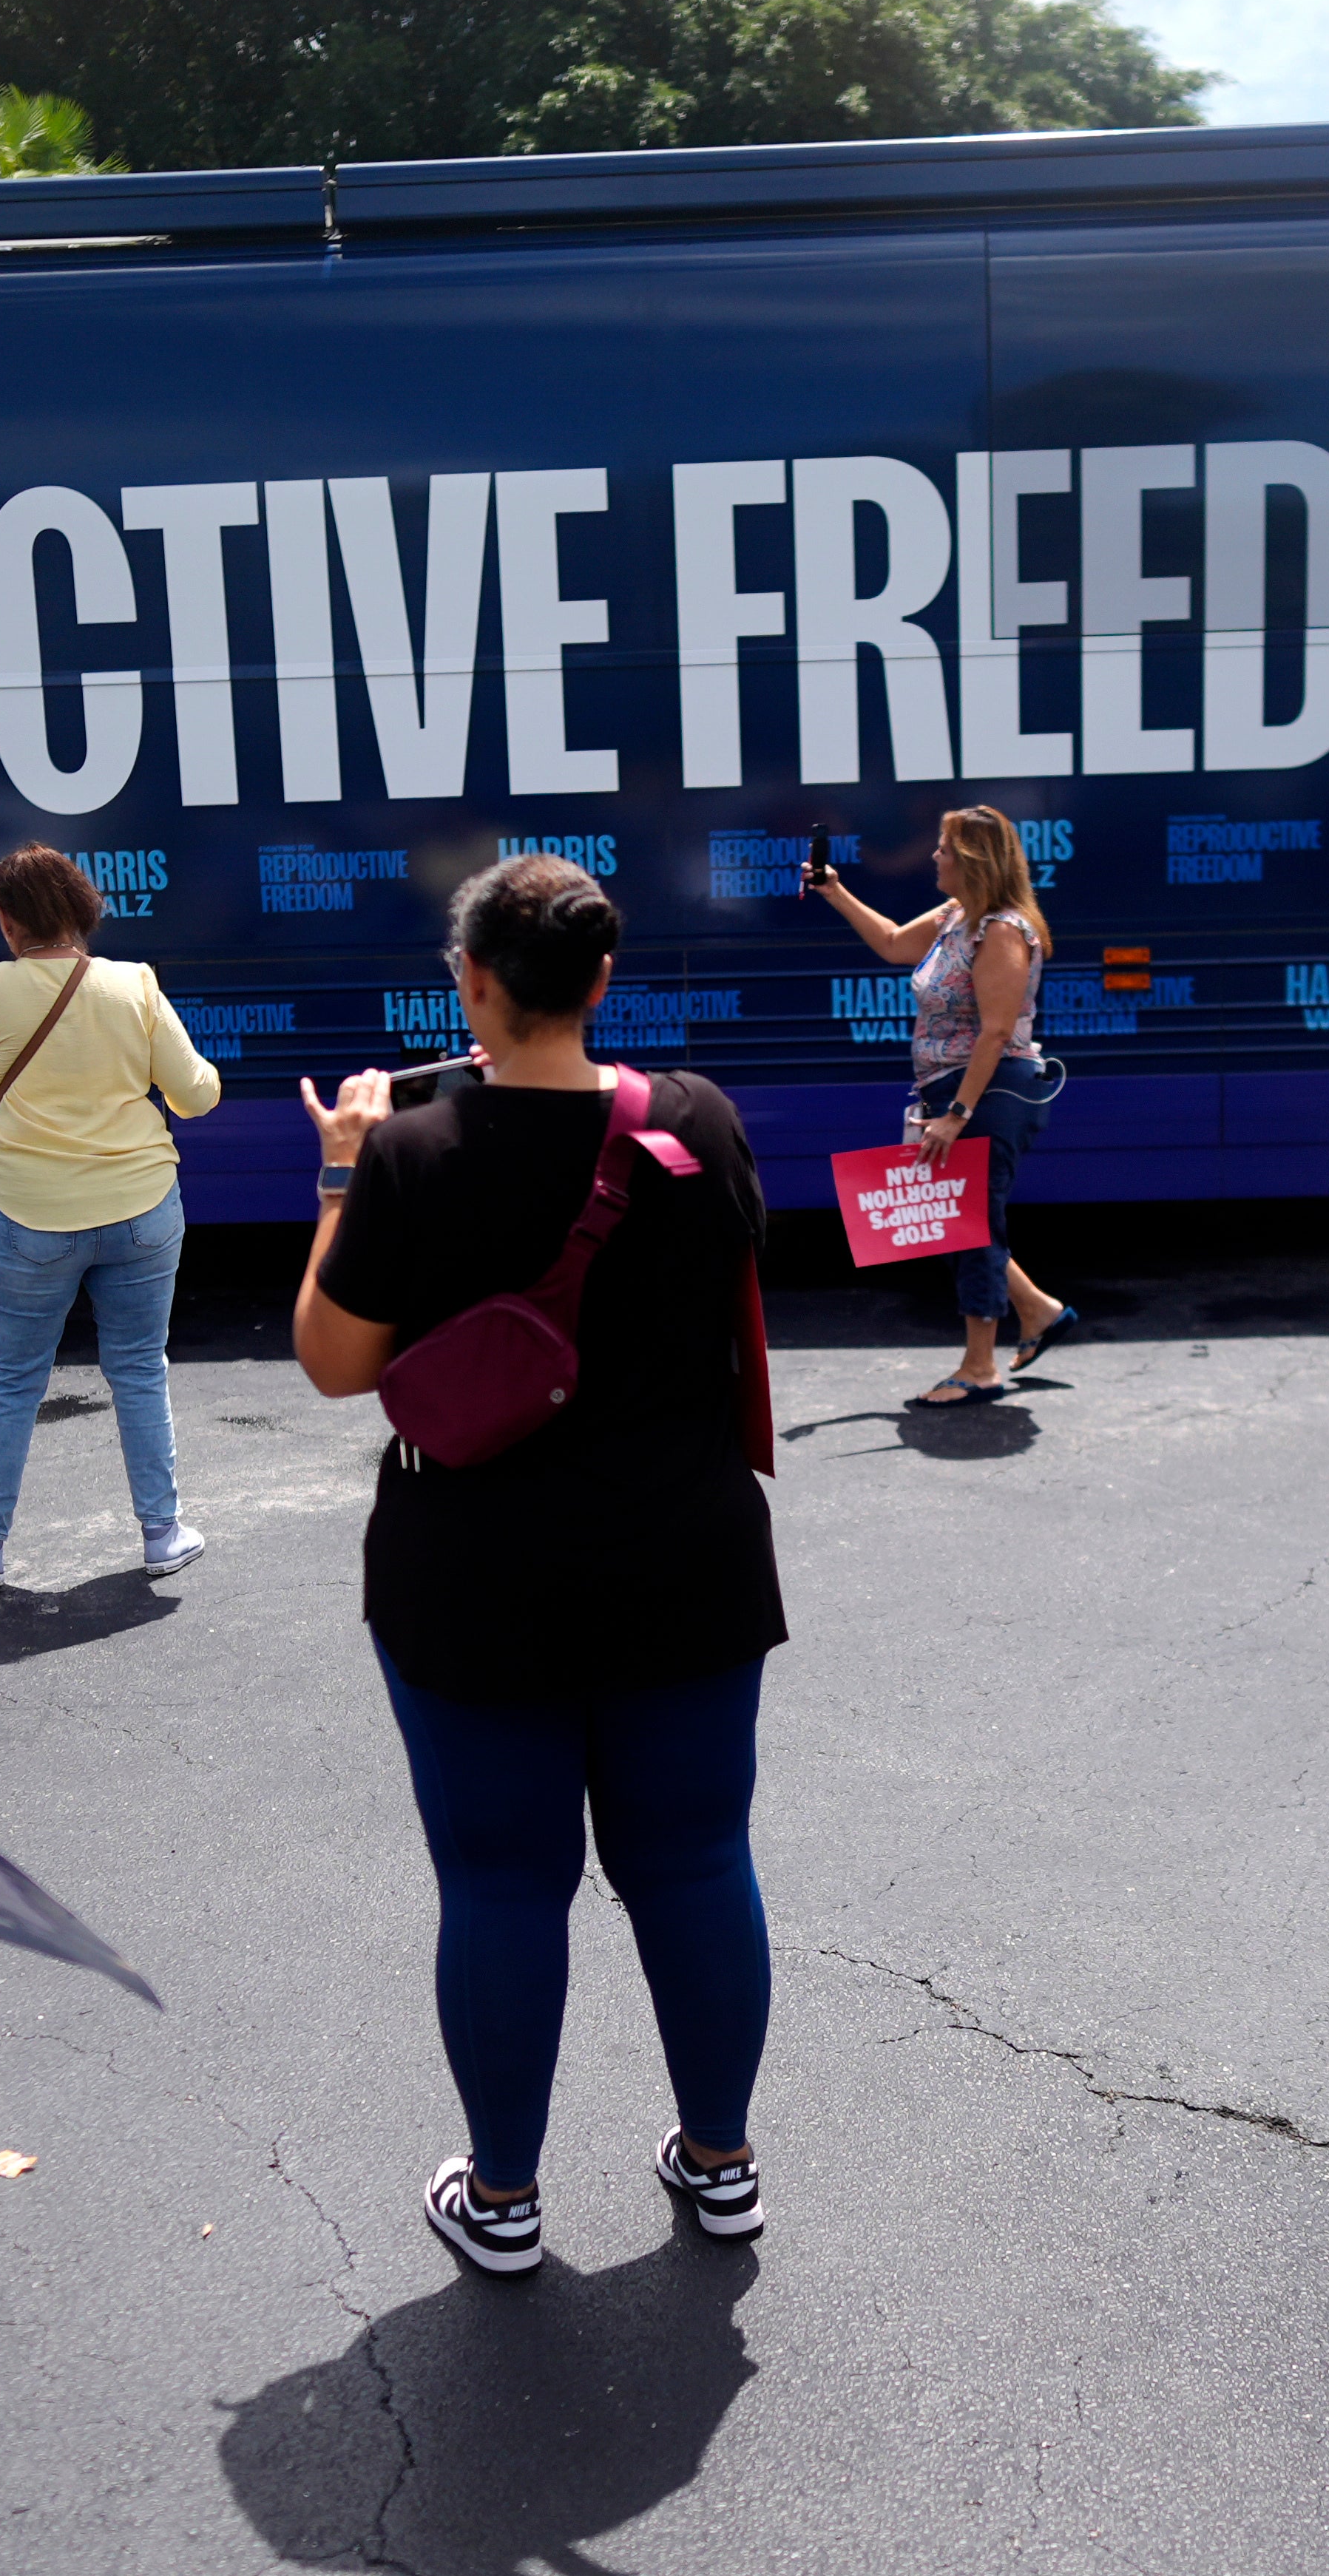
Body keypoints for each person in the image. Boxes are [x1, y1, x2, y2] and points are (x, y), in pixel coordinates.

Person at [289, 855, 784, 2275]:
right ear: (602, 981)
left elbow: (335, 1364)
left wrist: (338, 1174)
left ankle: (502, 2202)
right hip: (686, 1558)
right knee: (695, 1863)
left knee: (504, 1886)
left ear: (476, 988)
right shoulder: (698, 1120)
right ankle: (722, 2163)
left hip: (476, 1576)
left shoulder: (412, 1156)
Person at [0, 843, 226, 1588]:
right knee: (140, 1369)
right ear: (82, 908)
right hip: (142, 1205)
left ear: (7, 924)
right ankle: (163, 1532)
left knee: (14, 1379)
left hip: (28, 1211)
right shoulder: (134, 985)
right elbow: (196, 1095)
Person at [808, 804, 1079, 1408]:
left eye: (945, 849)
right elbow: (893, 943)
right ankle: (1040, 1313)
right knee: (953, 1218)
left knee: (974, 1227)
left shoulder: (1001, 930)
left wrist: (956, 1113)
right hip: (953, 1091)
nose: (935, 856)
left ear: (974, 861)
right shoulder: (959, 916)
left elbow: (995, 1030)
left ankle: (979, 1368)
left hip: (988, 1094)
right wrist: (835, 891)